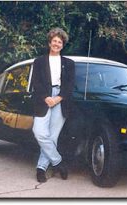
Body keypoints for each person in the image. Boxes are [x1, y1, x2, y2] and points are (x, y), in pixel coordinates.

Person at [31, 28, 75, 182]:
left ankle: (41, 169)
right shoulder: (39, 61)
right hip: (43, 98)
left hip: (61, 100)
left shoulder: (69, 63)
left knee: (53, 136)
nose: (57, 44)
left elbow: (70, 85)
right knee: (39, 132)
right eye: (54, 41)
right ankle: (58, 162)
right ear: (50, 43)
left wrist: (58, 98)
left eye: (60, 42)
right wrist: (46, 97)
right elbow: (35, 83)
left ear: (63, 45)